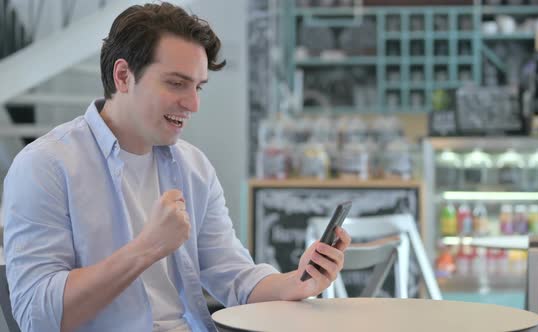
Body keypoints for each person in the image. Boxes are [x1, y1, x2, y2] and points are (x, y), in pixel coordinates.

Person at [2, 3, 351, 332]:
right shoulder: (44, 165)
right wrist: (146, 248)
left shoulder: (193, 166)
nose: (193, 103)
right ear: (123, 76)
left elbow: (236, 278)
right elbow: (37, 316)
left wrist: (299, 281)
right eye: (176, 83)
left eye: (198, 87)